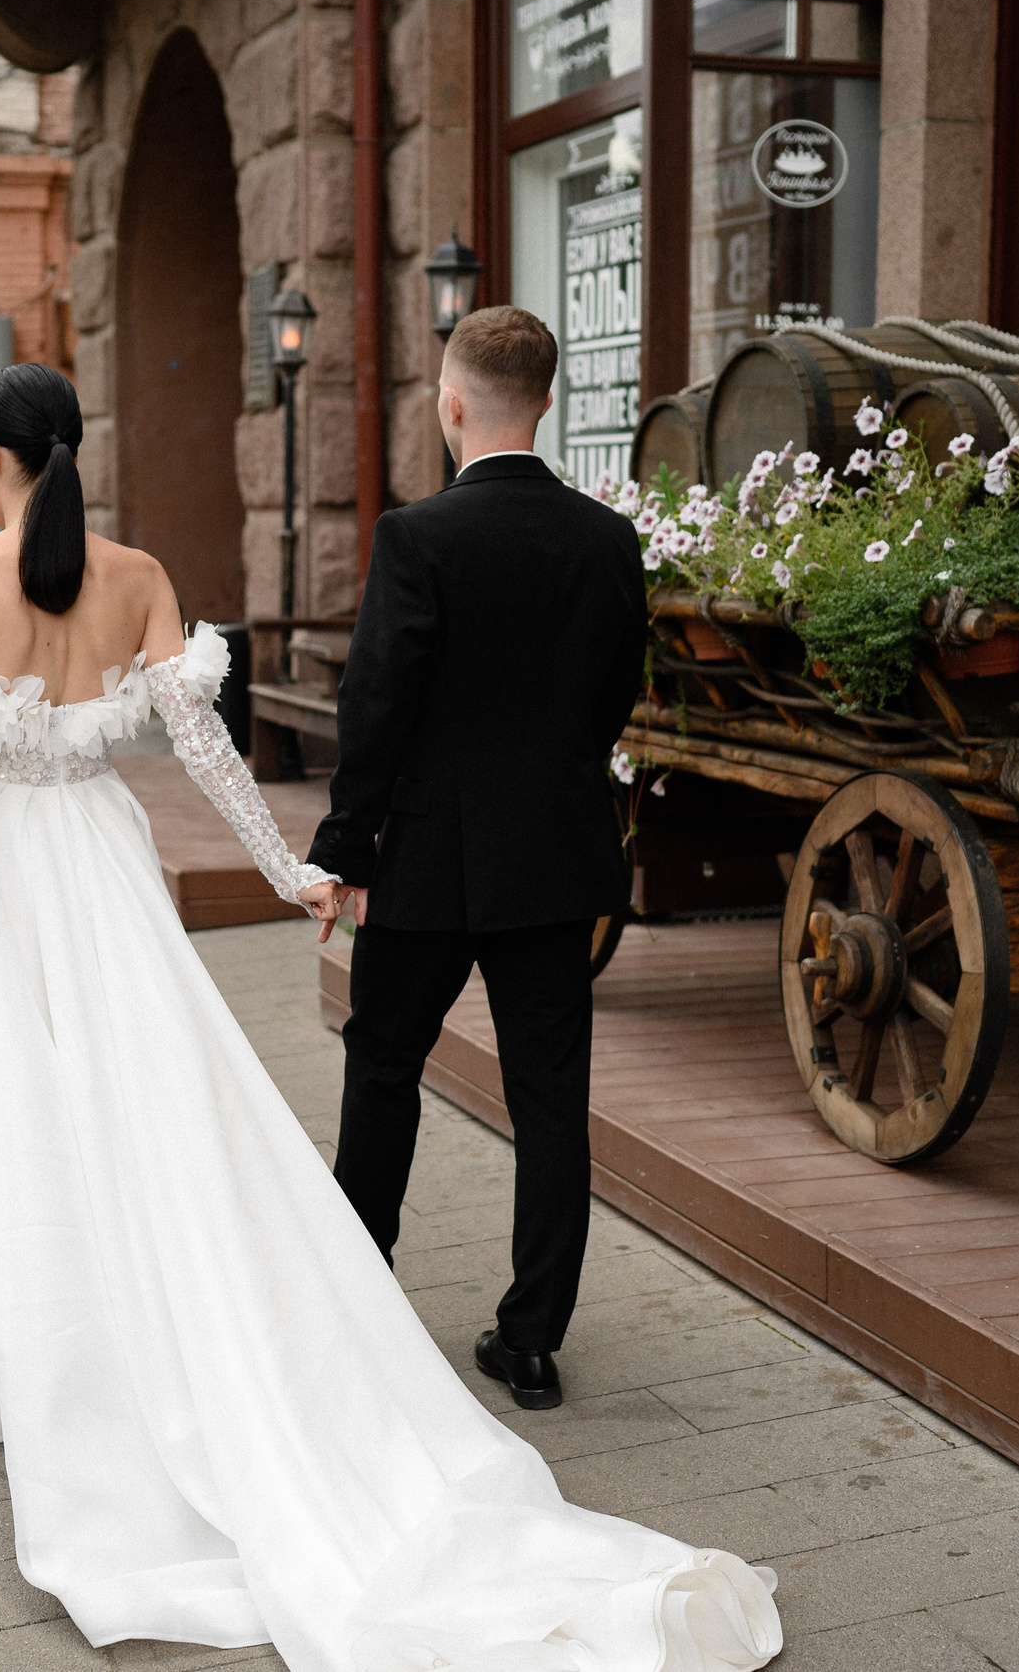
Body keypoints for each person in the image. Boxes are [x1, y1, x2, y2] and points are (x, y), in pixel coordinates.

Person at [0, 360, 779, 1672]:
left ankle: (65, 1371)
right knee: (126, 1091)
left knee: (20, 1097)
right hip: (104, 859)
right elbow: (205, 746)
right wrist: (287, 865)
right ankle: (5, 1342)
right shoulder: (138, 574)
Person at [309, 307, 648, 1415]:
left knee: (383, 1065)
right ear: (545, 402)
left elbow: (375, 706)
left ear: (450, 404)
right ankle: (532, 1341)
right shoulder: (608, 540)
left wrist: (344, 849)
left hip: (425, 862)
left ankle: (358, 1306)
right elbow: (614, 695)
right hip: (553, 858)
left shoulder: (417, 538)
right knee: (550, 1100)